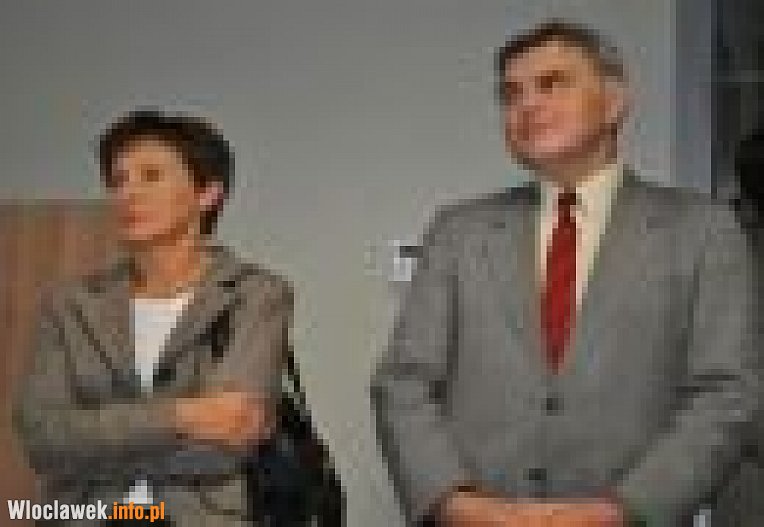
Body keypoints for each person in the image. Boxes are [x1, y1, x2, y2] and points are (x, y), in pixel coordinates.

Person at [371, 20, 759, 527]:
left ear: (615, 102)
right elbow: (403, 382)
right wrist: (453, 502)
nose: (526, 105)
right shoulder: (458, 232)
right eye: (511, 94)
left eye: (552, 84)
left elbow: (728, 393)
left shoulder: (703, 231)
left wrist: (623, 510)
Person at [14, 109, 293, 526]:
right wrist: (183, 415)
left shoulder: (254, 294)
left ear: (207, 194)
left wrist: (94, 442)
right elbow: (43, 438)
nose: (128, 193)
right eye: (118, 180)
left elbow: (228, 445)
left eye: (151, 176)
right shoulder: (71, 303)